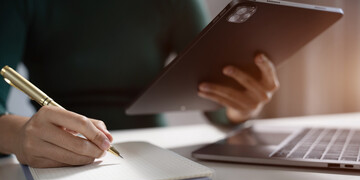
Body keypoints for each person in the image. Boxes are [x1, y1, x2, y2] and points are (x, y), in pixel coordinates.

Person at [0, 0, 279, 168]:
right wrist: (19, 136)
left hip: (153, 152)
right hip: (51, 152)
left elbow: (214, 103)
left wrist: (241, 106)